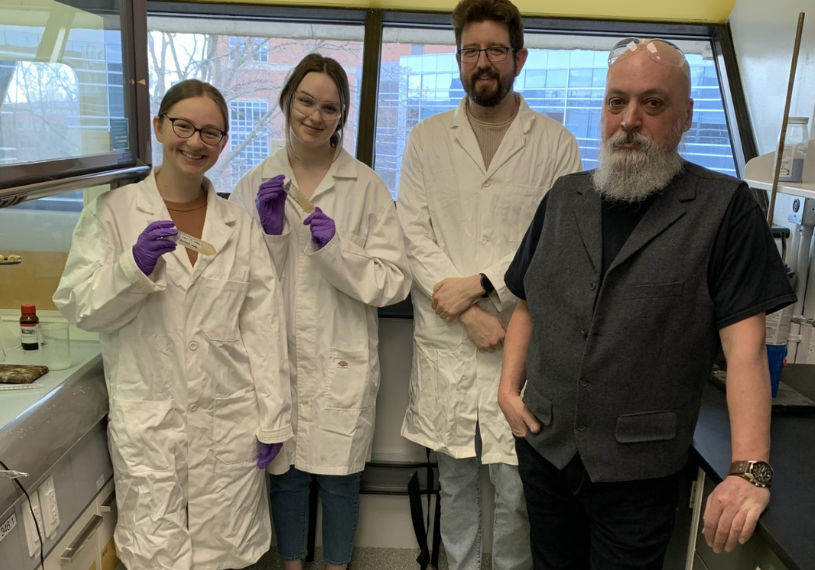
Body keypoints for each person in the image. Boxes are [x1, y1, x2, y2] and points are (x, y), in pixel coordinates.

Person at [499, 37, 797, 570]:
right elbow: (526, 300)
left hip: (639, 468)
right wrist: (506, 387)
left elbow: (747, 350)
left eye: (652, 103)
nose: (630, 119)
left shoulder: (723, 211)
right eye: (617, 102)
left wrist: (749, 469)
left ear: (683, 117)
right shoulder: (565, 198)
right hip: (547, 448)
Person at [54, 79, 292, 570]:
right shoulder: (112, 214)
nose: (195, 141)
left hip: (227, 415)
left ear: (224, 143)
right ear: (160, 127)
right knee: (156, 549)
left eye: (211, 133)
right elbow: (79, 306)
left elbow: (263, 327)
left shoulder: (238, 225)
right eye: (184, 126)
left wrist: (274, 415)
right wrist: (131, 267)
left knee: (226, 548)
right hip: (151, 415)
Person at [396, 0, 582, 567]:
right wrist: (466, 310)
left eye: (496, 50)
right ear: (457, 58)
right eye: (472, 50)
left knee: (515, 493)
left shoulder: (555, 144)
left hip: (520, 345)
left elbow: (555, 242)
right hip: (449, 337)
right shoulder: (426, 139)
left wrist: (482, 284)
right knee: (453, 489)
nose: (484, 61)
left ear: (519, 58)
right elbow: (411, 233)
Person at [230, 54, 411, 570]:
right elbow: (240, 284)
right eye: (306, 101)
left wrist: (338, 249)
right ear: (287, 101)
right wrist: (268, 235)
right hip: (278, 353)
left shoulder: (366, 187)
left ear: (342, 116)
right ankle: (292, 565)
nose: (315, 115)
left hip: (342, 355)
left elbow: (394, 282)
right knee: (285, 476)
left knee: (340, 478)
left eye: (329, 107)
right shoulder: (255, 183)